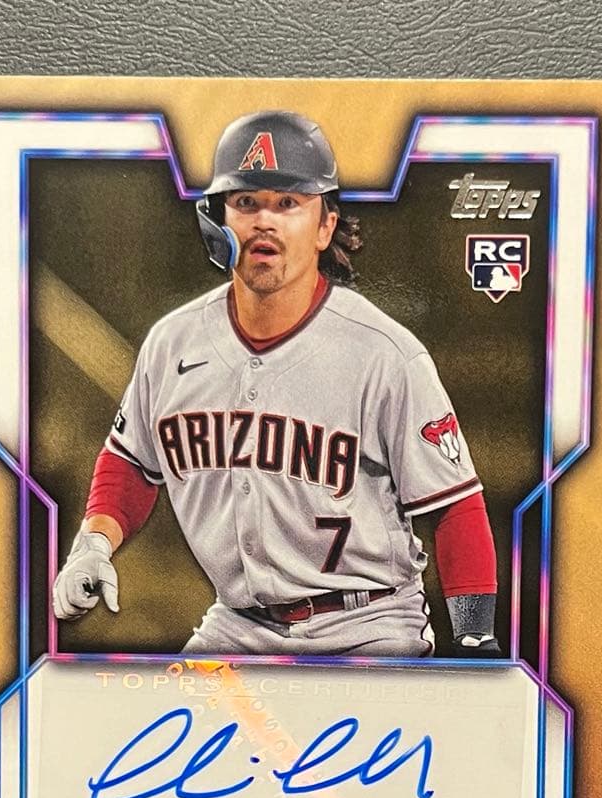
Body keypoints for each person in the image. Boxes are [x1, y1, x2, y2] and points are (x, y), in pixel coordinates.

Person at [53, 111, 501, 658]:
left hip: (368, 627)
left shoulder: (384, 353)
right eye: (246, 202)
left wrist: (475, 638)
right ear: (216, 221)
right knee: (159, 710)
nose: (264, 221)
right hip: (238, 626)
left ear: (325, 227)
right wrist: (93, 544)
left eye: (287, 203)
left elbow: (455, 505)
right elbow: (130, 461)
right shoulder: (172, 343)